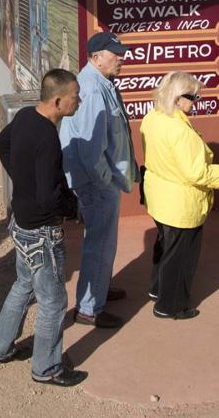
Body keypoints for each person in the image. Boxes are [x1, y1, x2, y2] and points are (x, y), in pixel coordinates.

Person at [0, 69, 87, 387]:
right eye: (75, 96)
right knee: (53, 301)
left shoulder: (26, 116)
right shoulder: (47, 138)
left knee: (24, 285)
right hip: (42, 233)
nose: (79, 101)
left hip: (21, 222)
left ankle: (0, 348)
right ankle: (47, 368)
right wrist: (73, 209)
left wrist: (23, 179)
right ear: (57, 101)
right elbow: (48, 197)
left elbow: (0, 144)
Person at [140, 72, 219, 319]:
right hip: (180, 203)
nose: (196, 102)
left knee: (165, 247)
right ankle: (170, 306)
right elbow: (197, 173)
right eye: (194, 97)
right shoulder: (180, 130)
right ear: (178, 98)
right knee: (181, 258)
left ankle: (157, 290)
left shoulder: (152, 118)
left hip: (160, 196)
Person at [60, 31, 138, 329]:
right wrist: (106, 182)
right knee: (100, 242)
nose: (121, 58)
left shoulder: (100, 82)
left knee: (103, 241)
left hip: (101, 180)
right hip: (97, 182)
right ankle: (89, 309)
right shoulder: (92, 91)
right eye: (115, 54)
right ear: (96, 57)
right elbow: (91, 152)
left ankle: (99, 287)